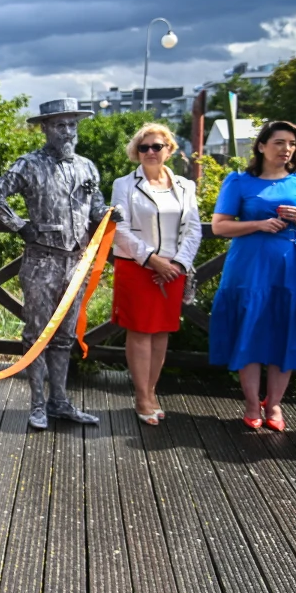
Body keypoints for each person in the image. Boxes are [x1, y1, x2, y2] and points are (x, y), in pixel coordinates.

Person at [0, 98, 109, 430]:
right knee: (37, 335)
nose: (67, 131)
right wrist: (20, 225)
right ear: (46, 128)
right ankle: (37, 404)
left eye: (72, 124)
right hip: (42, 263)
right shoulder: (29, 165)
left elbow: (97, 212)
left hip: (76, 264)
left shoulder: (88, 167)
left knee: (65, 337)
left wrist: (112, 216)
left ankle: (60, 402)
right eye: (59, 125)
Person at [209, 120, 296, 431]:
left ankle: (274, 403)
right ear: (262, 146)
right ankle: (252, 403)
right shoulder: (239, 181)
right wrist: (258, 224)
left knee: (286, 331)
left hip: (293, 266)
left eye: (291, 143)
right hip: (249, 267)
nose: (287, 149)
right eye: (279, 142)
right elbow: (220, 226)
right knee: (249, 329)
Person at [109, 123, 201, 425]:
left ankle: (151, 391)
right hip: (137, 268)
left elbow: (194, 229)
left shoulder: (187, 186)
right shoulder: (123, 185)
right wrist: (151, 259)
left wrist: (177, 264)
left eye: (156, 146)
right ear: (136, 152)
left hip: (173, 271)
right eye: (143, 147)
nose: (150, 152)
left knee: (161, 332)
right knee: (139, 332)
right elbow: (118, 229)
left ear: (169, 149)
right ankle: (142, 396)